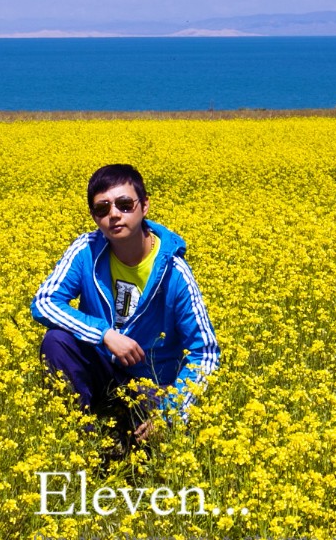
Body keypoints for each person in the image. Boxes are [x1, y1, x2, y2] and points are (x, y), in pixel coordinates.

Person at [32, 163, 219, 456]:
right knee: (56, 341)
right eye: (102, 209)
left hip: (153, 383)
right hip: (105, 369)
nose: (114, 215)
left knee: (154, 454)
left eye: (124, 204)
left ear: (144, 206)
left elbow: (205, 352)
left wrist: (169, 414)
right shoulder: (87, 250)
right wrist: (104, 334)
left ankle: (134, 442)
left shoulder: (174, 273)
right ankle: (88, 443)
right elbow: (44, 303)